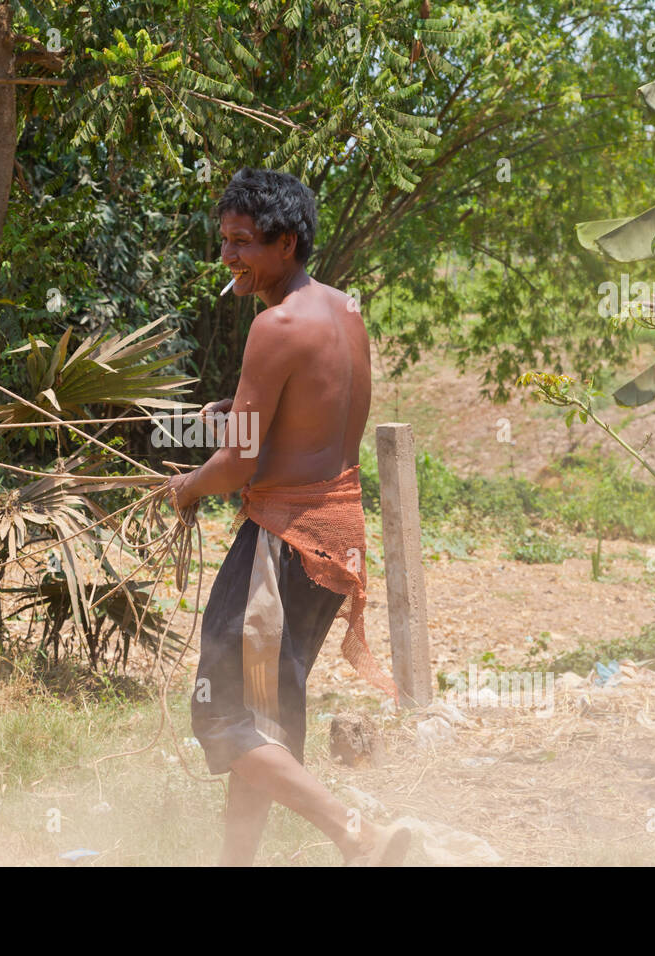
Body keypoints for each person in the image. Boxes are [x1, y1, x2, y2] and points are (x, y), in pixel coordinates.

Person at [167, 167, 411, 866]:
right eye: (224, 243)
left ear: (286, 243)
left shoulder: (274, 327)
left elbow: (240, 466)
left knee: (224, 715)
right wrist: (231, 417)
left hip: (282, 543)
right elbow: (312, 425)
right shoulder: (346, 311)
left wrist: (187, 486)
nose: (229, 259)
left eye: (243, 243)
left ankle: (356, 835)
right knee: (265, 720)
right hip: (338, 538)